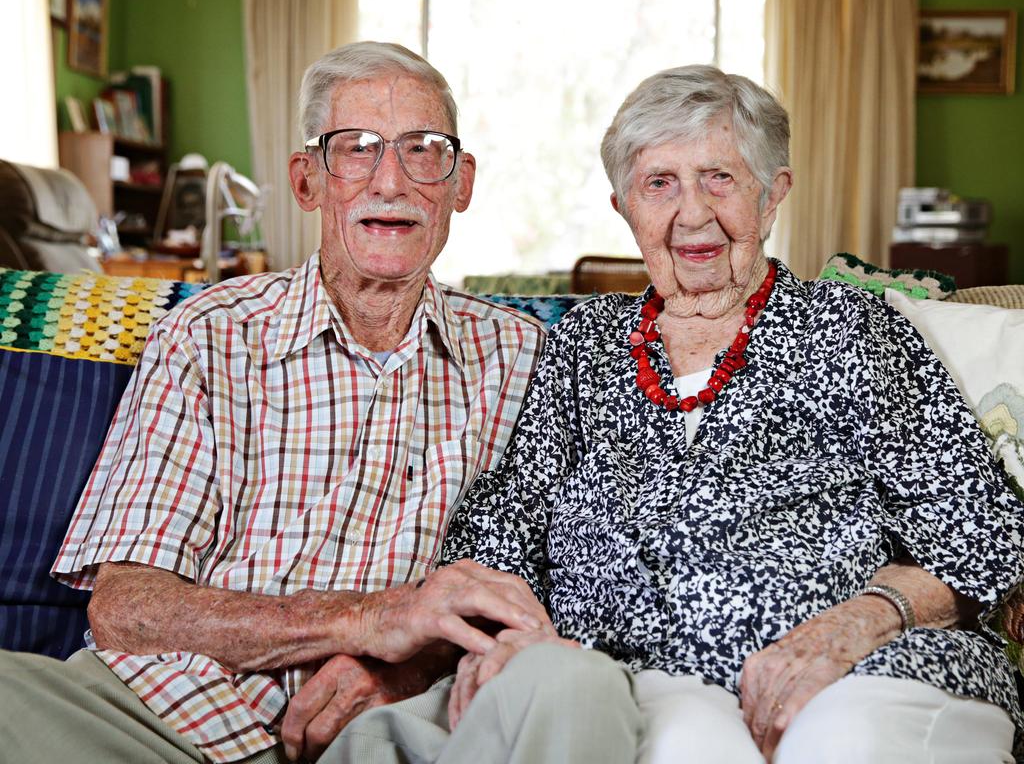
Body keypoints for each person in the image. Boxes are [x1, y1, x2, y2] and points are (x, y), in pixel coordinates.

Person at [335, 65, 1024, 763]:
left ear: (772, 193)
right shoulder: (586, 342)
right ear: (623, 207)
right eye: (659, 183)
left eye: (719, 178)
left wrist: (851, 627)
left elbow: (980, 533)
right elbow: (512, 515)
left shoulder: (852, 330)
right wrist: (502, 632)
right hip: (643, 685)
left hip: (864, 672)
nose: (692, 213)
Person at [0, 42, 552, 764]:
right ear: (306, 180)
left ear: (460, 182)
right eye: (355, 149)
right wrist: (370, 619)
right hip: (161, 716)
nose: (392, 180)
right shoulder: (206, 335)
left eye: (424, 150)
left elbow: (552, 591)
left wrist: (411, 667)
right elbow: (126, 610)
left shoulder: (525, 357)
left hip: (394, 730)